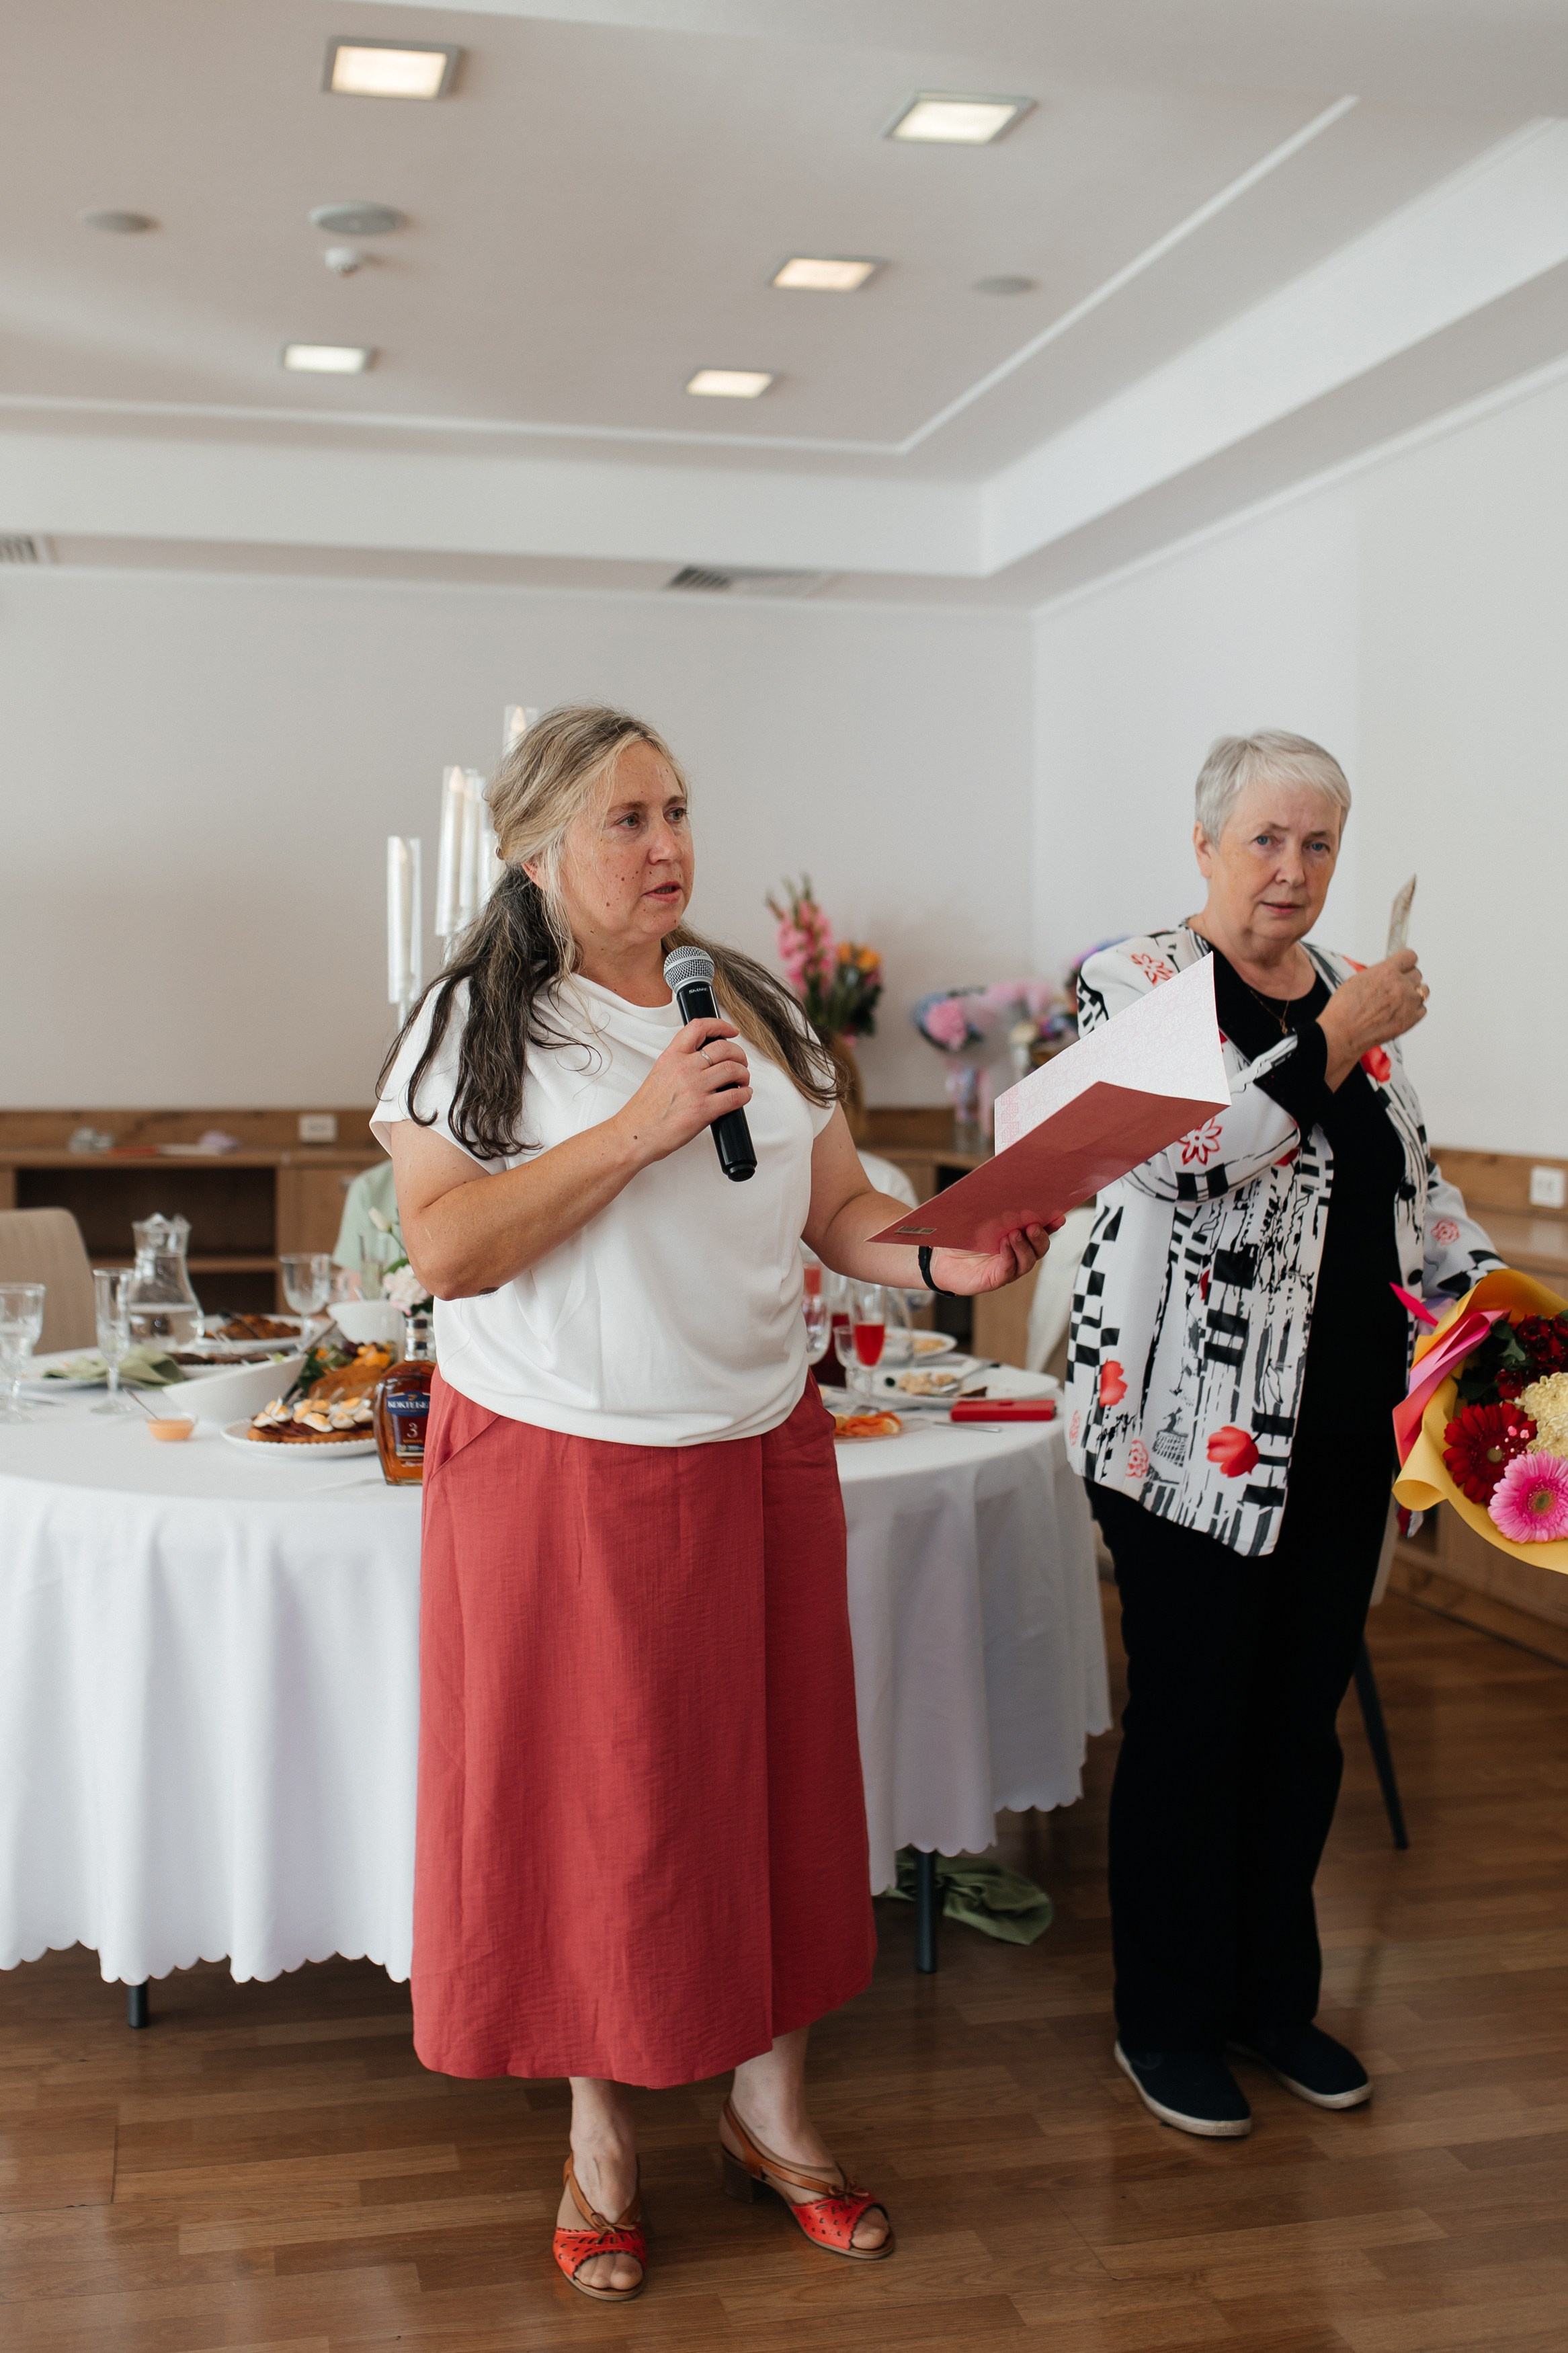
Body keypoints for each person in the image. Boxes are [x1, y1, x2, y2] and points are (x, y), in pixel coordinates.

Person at [374, 705, 1050, 2301]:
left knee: (776, 1787)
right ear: (538, 852)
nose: (669, 844)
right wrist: (639, 1128)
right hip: (558, 1461)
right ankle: (599, 2141)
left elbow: (842, 1208)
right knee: (587, 1803)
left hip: (756, 1443)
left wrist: (950, 1250)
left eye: (677, 810)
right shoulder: (474, 1021)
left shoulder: (756, 1004)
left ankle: (772, 2111)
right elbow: (448, 1250)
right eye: (629, 819)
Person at [1065, 730, 1498, 2139]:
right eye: (1264, 839)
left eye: (1317, 844)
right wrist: (1340, 1034)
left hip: (1346, 1437)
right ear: (1204, 846)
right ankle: (1167, 2020)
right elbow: (1181, 1161)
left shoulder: (1348, 997)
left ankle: (1270, 1999)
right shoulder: (1134, 981)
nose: (1291, 869)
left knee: (1297, 1729)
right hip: (1181, 1437)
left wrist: (1500, 1317)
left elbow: (1415, 1194)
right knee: (1195, 1724)